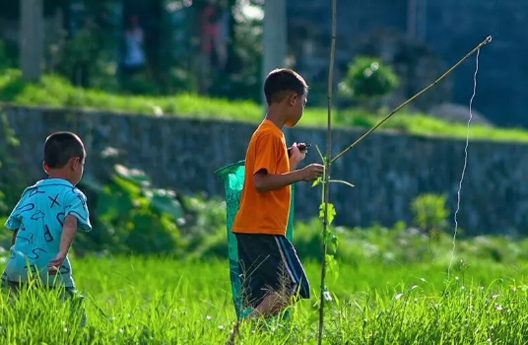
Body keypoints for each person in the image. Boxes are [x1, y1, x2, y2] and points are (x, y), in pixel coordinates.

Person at [231, 68, 325, 320]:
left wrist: (291, 162)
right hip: (262, 229)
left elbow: (273, 178)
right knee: (290, 287)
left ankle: (247, 335)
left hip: (255, 228)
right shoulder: (270, 135)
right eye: (303, 102)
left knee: (266, 296)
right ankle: (245, 331)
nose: (303, 108)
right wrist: (302, 174)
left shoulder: (270, 135)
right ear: (292, 99)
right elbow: (260, 182)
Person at [1, 132, 92, 322]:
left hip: (17, 267)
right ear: (75, 163)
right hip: (50, 269)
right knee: (73, 316)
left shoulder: (30, 192)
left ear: (45, 166)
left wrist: (16, 256)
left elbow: (17, 229)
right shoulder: (74, 195)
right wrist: (60, 254)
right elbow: (70, 223)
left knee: (13, 317)